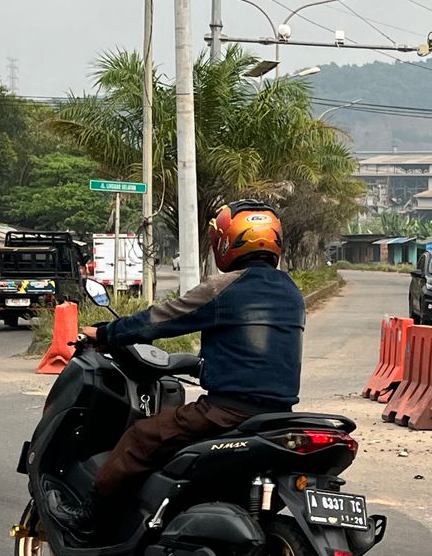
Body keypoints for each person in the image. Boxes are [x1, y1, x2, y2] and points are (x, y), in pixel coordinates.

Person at [67, 199, 305, 533]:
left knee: (140, 437)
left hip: (225, 412)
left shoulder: (224, 287)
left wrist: (106, 333)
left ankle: (89, 519)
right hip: (279, 415)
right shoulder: (292, 293)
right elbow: (257, 353)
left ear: (227, 241)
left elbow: (161, 319)